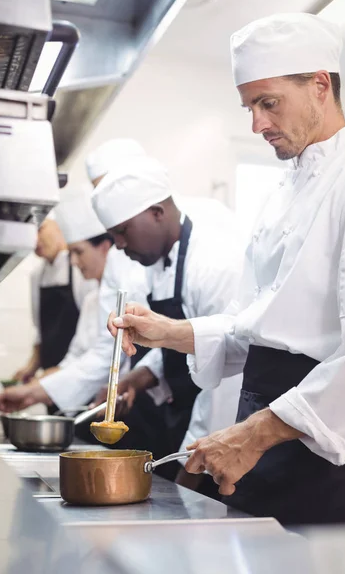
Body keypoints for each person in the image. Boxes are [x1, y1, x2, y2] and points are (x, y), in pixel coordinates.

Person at [107, 13, 345, 525]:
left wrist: (255, 433)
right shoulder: (281, 194)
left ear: (320, 85)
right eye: (249, 106)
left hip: (328, 445)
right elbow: (253, 326)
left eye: (267, 102)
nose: (256, 125)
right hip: (264, 431)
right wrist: (167, 332)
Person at [92, 154, 245, 483]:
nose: (117, 245)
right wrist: (139, 377)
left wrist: (193, 465)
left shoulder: (214, 264)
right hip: (186, 416)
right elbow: (184, 338)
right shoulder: (158, 264)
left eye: (122, 231)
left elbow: (228, 369)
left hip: (222, 435)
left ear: (157, 213)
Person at [0, 186, 112, 413]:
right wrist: (35, 382)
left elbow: (101, 359)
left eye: (41, 229)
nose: (75, 261)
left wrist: (37, 388)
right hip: (62, 381)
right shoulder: (42, 277)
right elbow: (74, 353)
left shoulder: (97, 283)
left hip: (92, 391)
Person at [12, 217, 95, 384]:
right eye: (30, 232)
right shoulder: (36, 276)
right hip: (49, 377)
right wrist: (31, 367)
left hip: (79, 374)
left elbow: (90, 335)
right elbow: (41, 332)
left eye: (40, 229)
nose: (35, 238)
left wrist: (58, 373)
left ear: (59, 227)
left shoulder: (81, 270)